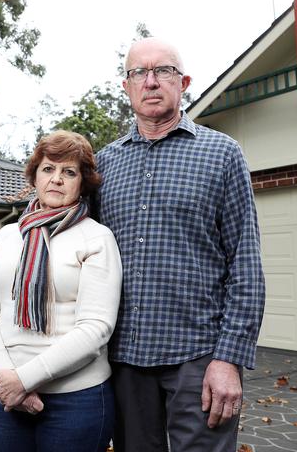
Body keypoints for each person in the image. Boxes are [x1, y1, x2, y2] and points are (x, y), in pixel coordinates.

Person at [94, 37, 266, 452]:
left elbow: (245, 266)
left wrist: (229, 359)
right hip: (124, 360)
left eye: (164, 71)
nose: (151, 81)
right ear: (127, 86)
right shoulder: (103, 164)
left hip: (199, 358)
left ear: (183, 81)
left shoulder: (221, 153)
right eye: (140, 72)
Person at [0, 130, 122, 452]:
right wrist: (6, 377)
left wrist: (24, 381)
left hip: (76, 401)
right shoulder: (8, 236)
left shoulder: (97, 238)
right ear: (34, 177)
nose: (57, 179)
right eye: (48, 169)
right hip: (5, 394)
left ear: (82, 182)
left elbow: (96, 329)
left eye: (69, 172)